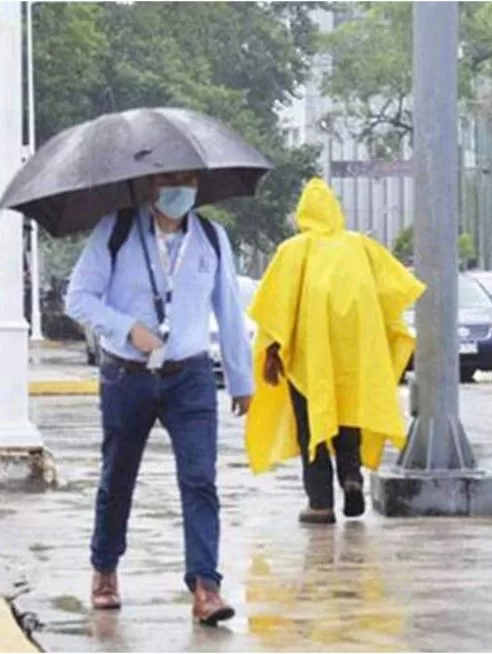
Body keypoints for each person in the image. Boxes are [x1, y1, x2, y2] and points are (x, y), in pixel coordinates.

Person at [66, 170, 252, 626]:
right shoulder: (118, 229)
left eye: (188, 179)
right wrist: (128, 328)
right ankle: (105, 569)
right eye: (171, 179)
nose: (180, 188)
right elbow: (79, 299)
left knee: (199, 479)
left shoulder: (211, 237)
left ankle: (206, 585)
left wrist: (240, 377)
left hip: (190, 375)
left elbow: (228, 308)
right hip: (126, 375)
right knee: (118, 478)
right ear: (151, 185)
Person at [244, 178, 425, 524]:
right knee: (349, 419)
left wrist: (271, 353)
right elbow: (394, 292)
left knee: (311, 426)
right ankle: (352, 477)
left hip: (307, 359)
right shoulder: (361, 247)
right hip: (356, 357)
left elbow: (275, 309)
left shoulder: (293, 251)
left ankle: (320, 502)